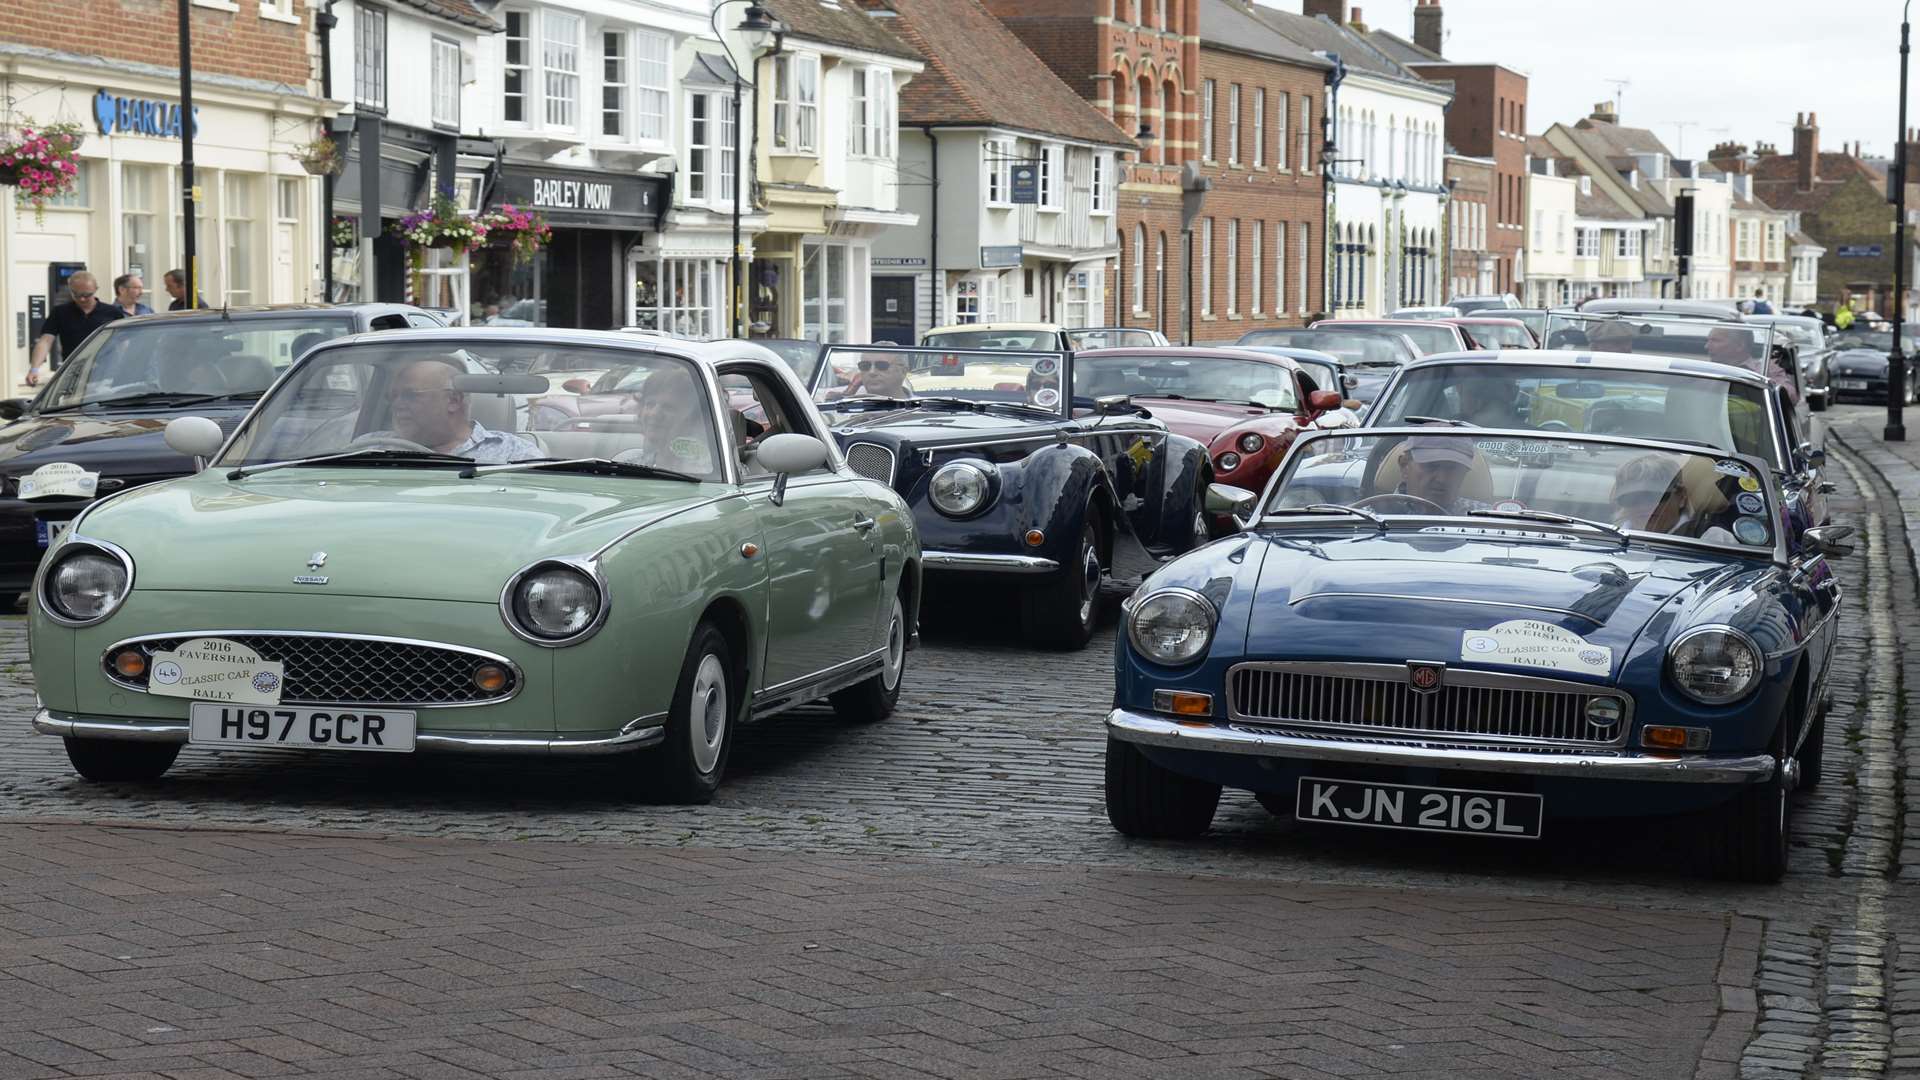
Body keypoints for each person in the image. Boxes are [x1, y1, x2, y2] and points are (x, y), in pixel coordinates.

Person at [381, 357, 538, 463]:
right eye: (393, 397)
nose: (397, 405)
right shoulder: (369, 448)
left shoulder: (514, 454)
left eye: (410, 396)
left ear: (453, 401)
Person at [27, 272, 124, 386]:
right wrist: (34, 369)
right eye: (76, 294)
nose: (82, 299)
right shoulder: (60, 312)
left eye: (87, 294)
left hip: (106, 374)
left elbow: (123, 343)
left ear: (96, 289)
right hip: (72, 374)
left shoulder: (112, 312)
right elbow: (45, 341)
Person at [623, 365, 717, 475]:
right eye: (650, 404)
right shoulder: (631, 464)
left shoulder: (706, 473)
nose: (654, 413)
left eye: (668, 407)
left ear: (692, 419)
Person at [1389, 435, 1490, 514]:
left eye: (1453, 469)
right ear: (1404, 465)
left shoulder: (1483, 517)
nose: (1442, 479)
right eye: (1431, 466)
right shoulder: (1376, 515)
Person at [1455, 370, 1521, 427]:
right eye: (1474, 394)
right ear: (1459, 389)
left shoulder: (1525, 434)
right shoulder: (1448, 427)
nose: (1480, 402)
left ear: (1513, 393)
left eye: (1491, 395)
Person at [837, 355, 913, 399]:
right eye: (865, 366)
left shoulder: (922, 408)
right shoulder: (844, 408)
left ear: (903, 371)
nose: (872, 372)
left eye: (882, 366)